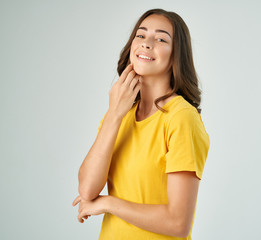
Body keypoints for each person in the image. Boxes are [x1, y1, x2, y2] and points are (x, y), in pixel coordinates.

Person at [72, 8, 210, 239]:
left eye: (161, 39)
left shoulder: (181, 118)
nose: (146, 43)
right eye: (141, 35)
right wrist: (114, 114)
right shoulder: (120, 114)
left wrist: (109, 203)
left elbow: (177, 223)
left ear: (177, 55)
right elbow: (87, 189)